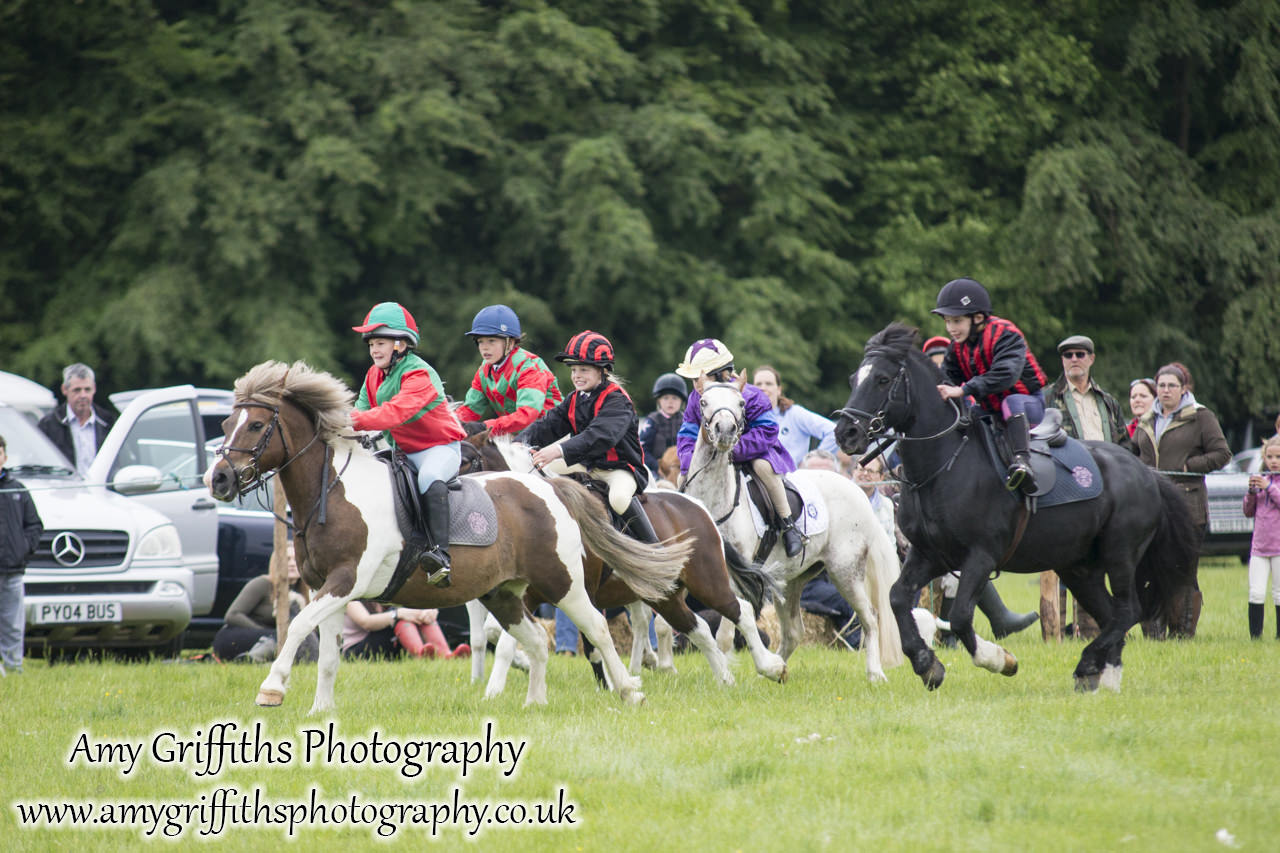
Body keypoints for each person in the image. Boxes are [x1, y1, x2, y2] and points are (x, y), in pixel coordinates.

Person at [350, 302, 465, 587]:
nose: (374, 350)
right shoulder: (373, 375)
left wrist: (350, 421)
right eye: (372, 344)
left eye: (380, 343)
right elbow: (360, 410)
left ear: (400, 344)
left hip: (438, 449)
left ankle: (441, 555)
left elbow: (393, 413)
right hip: (402, 453)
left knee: (428, 477)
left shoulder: (419, 375)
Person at [519, 331, 657, 543]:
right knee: (532, 474)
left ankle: (653, 549)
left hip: (619, 469)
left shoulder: (617, 400)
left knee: (619, 499)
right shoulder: (574, 398)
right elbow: (547, 425)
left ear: (601, 370)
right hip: (585, 465)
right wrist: (515, 446)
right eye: (574, 370)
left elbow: (599, 436)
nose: (576, 375)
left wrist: (556, 451)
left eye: (583, 369)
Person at [675, 339, 803, 557]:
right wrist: (689, 460)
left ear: (723, 374)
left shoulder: (753, 396)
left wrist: (733, 450)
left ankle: (788, 525)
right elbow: (687, 434)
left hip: (755, 452)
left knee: (763, 468)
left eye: (700, 377)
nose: (696, 384)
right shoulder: (696, 398)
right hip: (712, 454)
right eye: (694, 378)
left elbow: (768, 431)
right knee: (681, 477)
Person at [1132, 362, 1230, 638]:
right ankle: (1153, 634)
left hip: (1187, 507)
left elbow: (1222, 453)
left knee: (1182, 571)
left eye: (1171, 385)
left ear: (1184, 388)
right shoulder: (1147, 419)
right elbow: (1137, 452)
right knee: (1147, 569)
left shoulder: (1200, 416)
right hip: (1149, 507)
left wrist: (1189, 467)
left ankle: (1182, 634)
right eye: (1161, 385)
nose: (1165, 390)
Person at [932, 278, 1048, 492]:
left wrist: (964, 389)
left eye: (956, 321)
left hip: (1029, 405)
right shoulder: (957, 347)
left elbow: (1006, 374)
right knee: (966, 420)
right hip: (989, 410)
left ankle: (1023, 461)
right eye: (947, 321)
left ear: (977, 318)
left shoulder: (1006, 333)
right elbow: (945, 379)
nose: (950, 329)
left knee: (1011, 402)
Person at [454, 304, 563, 437]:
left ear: (510, 343)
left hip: (555, 436)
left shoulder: (529, 367)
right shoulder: (484, 371)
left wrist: (484, 427)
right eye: (480, 341)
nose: (484, 348)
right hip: (521, 437)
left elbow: (526, 415)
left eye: (491, 341)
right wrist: (450, 421)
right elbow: (470, 410)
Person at [212, 543, 317, 663]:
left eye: (296, 559)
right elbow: (233, 615)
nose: (292, 564)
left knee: (298, 640)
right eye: (287, 559)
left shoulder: (305, 592)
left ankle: (268, 662)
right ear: (277, 563)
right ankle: (250, 659)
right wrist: (261, 631)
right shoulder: (262, 584)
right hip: (236, 636)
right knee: (281, 638)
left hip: (273, 637)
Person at [0, 434, 43, 674]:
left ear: (4, 457)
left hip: (13, 569)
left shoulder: (17, 489)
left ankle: (14, 667)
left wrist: (23, 549)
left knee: (13, 624)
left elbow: (35, 525)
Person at [1044, 335, 1132, 450]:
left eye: (1080, 354)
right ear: (1062, 360)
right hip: (1068, 466)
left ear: (1092, 359)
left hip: (1107, 466)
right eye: (1068, 355)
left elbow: (1125, 446)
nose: (1074, 359)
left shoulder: (1109, 402)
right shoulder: (1046, 398)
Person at [37, 363, 116, 477]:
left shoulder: (108, 422)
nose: (83, 395)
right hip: (66, 491)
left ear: (94, 388)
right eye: (77, 390)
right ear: (65, 389)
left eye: (87, 389)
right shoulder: (48, 425)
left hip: (102, 491)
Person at [752, 365, 839, 467]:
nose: (763, 388)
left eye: (769, 384)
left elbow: (834, 432)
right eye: (758, 384)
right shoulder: (747, 419)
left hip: (792, 479)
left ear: (779, 389)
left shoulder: (794, 414)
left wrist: (811, 462)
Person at [1243, 437, 1280, 639]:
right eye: (1270, 456)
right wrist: (1251, 493)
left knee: (1279, 593)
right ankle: (1255, 637)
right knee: (1256, 592)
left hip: (1279, 548)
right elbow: (1248, 511)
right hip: (1259, 547)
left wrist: (1268, 487)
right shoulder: (1261, 478)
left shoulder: (1270, 484)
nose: (1273, 461)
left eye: (1278, 457)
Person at [343, 600, 450, 659]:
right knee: (400, 617)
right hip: (356, 651)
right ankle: (420, 655)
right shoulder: (351, 598)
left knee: (418, 614)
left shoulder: (383, 594)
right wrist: (397, 614)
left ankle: (445, 654)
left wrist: (428, 612)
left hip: (383, 643)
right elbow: (366, 622)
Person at [639, 373, 687, 476]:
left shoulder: (686, 422)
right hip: (656, 471)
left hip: (682, 470)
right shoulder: (652, 421)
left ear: (681, 401)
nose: (670, 402)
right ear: (659, 401)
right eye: (665, 398)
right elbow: (642, 450)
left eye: (674, 398)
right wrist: (656, 466)